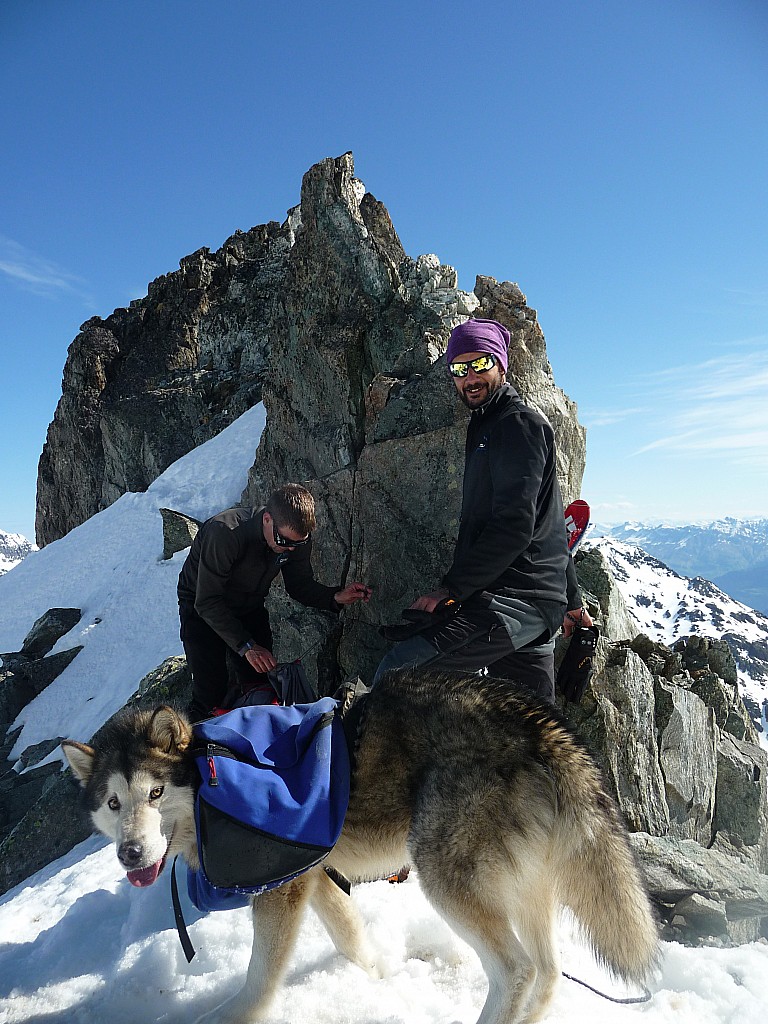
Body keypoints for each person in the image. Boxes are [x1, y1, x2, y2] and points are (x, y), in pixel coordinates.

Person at [373, 317, 592, 702]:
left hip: (516, 597)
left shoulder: (516, 424)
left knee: (399, 671)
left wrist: (451, 589)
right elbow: (550, 524)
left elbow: (516, 525)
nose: (469, 377)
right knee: (528, 720)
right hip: (531, 598)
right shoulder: (488, 425)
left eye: (480, 364)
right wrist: (571, 602)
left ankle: (368, 760)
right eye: (459, 368)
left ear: (501, 365)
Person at [178, 483, 371, 720]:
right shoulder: (225, 532)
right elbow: (206, 601)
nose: (289, 548)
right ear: (267, 519)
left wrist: (335, 597)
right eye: (284, 541)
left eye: (297, 544)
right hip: (201, 606)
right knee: (210, 695)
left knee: (261, 683)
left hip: (249, 605)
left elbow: (299, 585)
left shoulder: (294, 539)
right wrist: (246, 646)